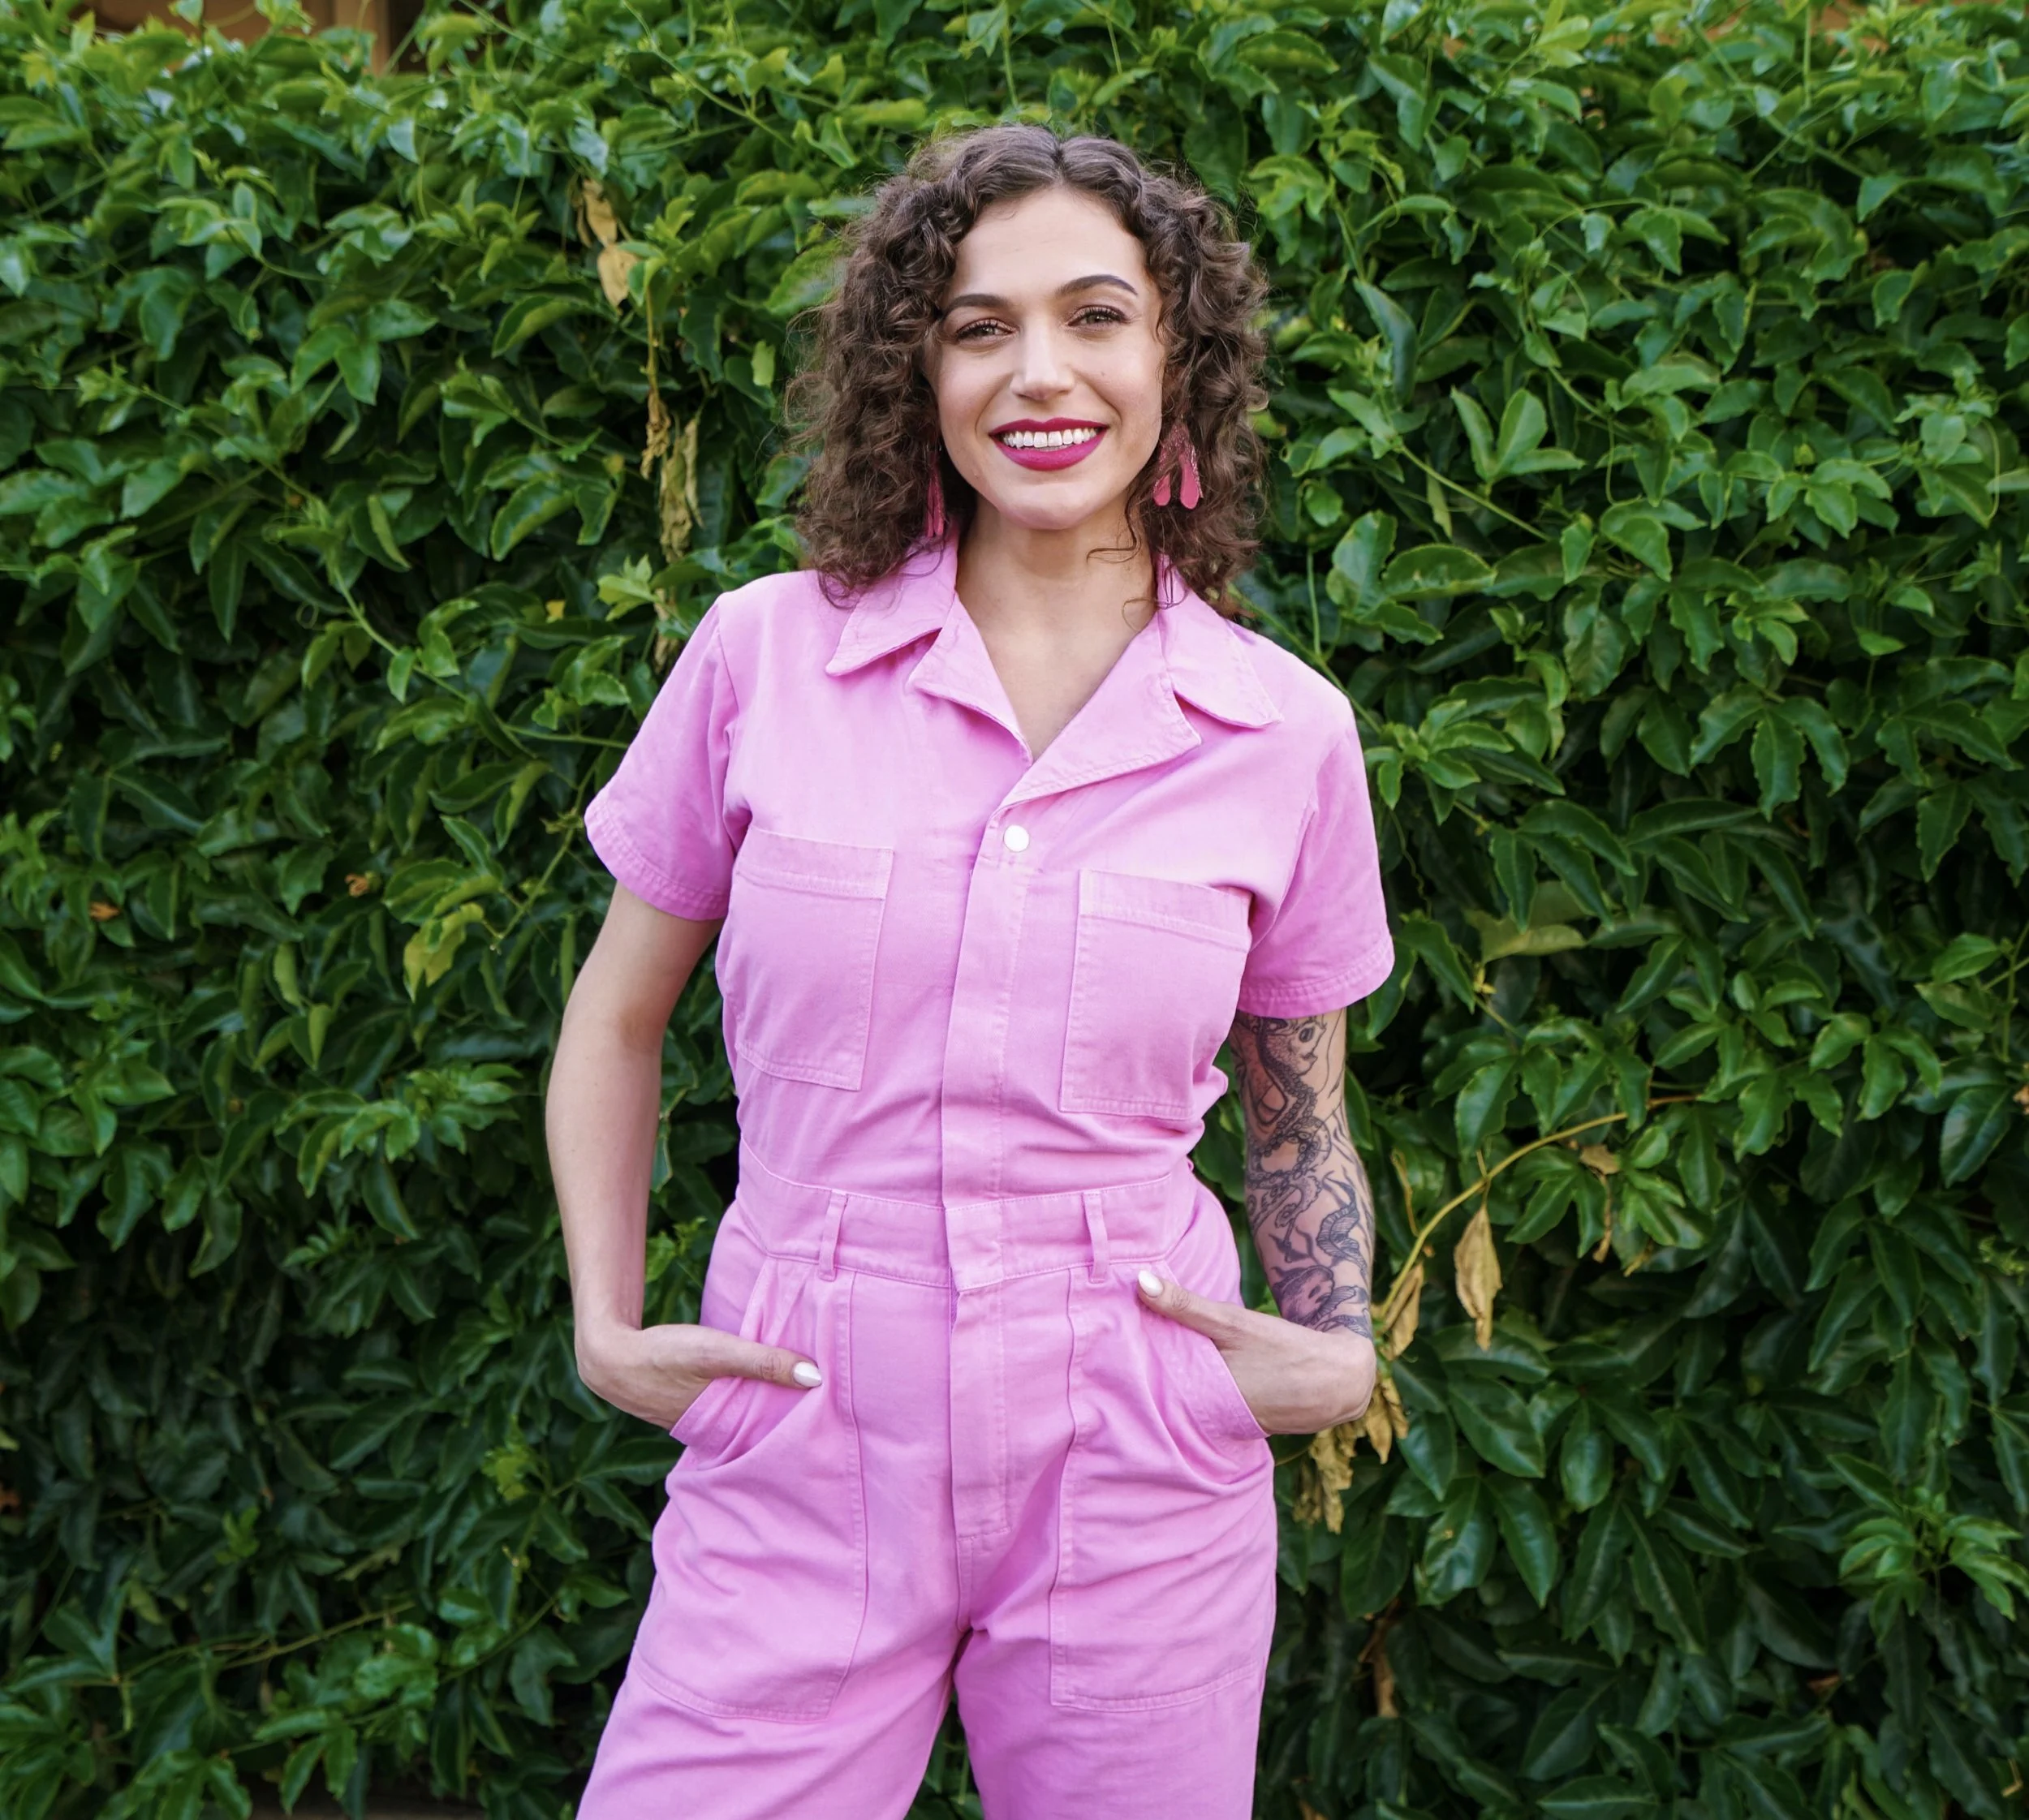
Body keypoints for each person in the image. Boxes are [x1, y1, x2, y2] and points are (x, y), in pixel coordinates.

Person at [547, 123, 1394, 1820]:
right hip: (800, 1419)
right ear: (916, 372)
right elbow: (616, 1017)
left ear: (1178, 359)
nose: (1038, 372)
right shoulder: (765, 656)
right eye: (976, 326)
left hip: (1135, 1446)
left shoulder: (1282, 732)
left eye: (1096, 316)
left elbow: (1302, 1108)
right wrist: (605, 1322)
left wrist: (1338, 1338)